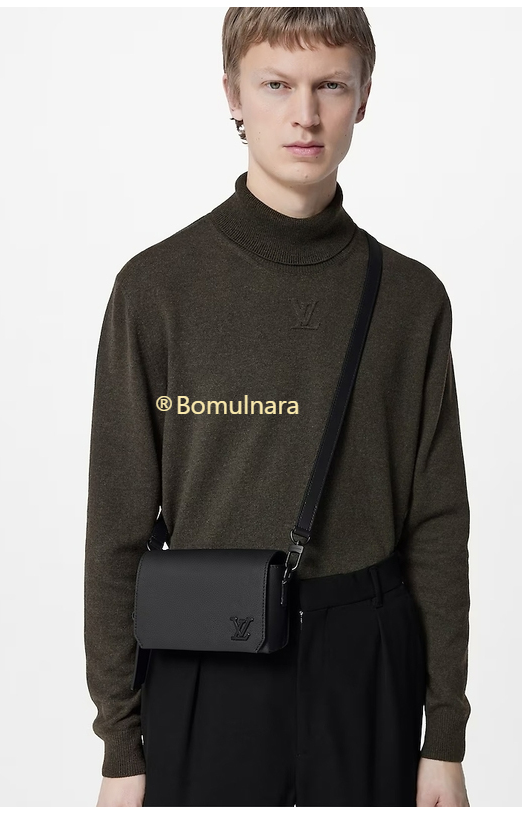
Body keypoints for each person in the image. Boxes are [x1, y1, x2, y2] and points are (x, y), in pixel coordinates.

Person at [85, 7, 471, 807]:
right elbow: (117, 532)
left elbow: (437, 523)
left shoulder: (412, 300)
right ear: (233, 95)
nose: (305, 114)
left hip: (367, 663)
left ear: (364, 96)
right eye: (276, 85)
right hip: (206, 658)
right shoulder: (155, 290)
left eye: (330, 85)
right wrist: (121, 743)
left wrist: (444, 736)